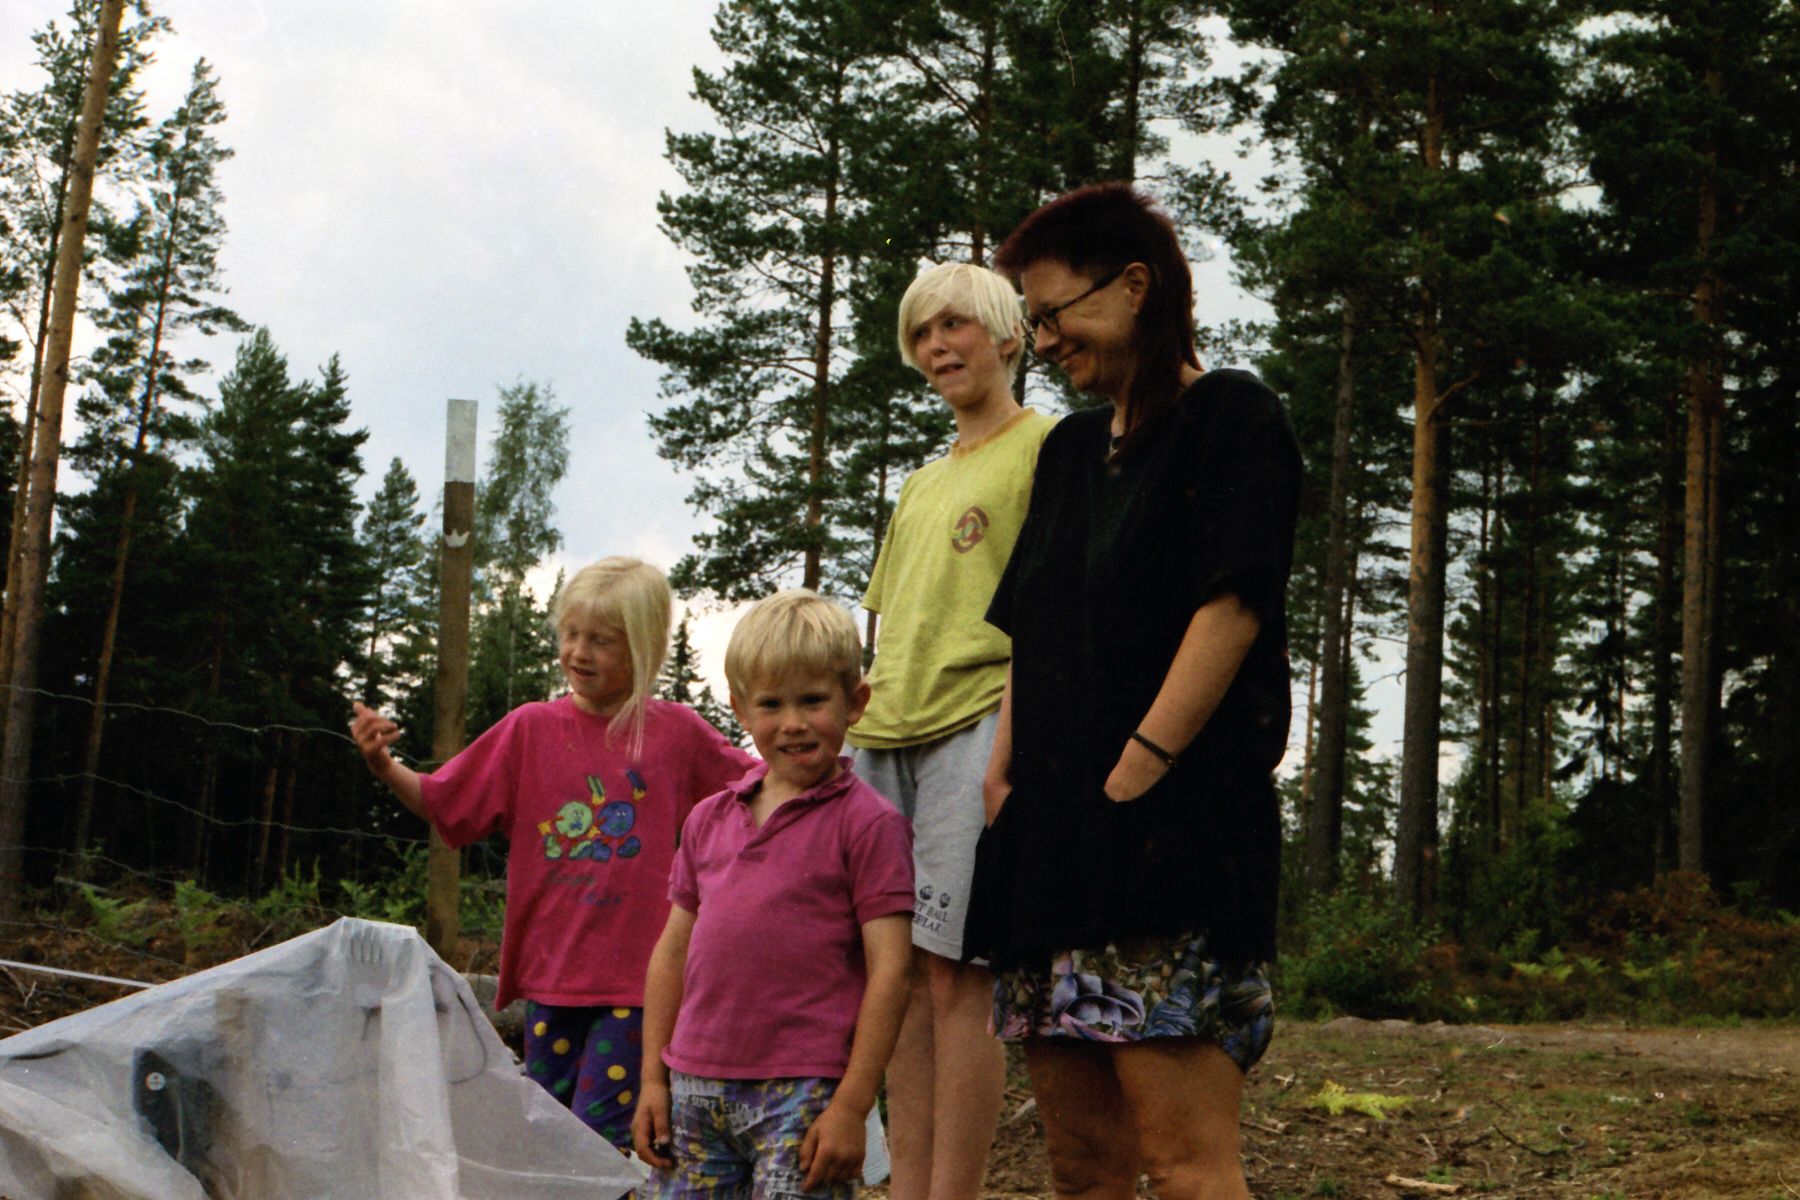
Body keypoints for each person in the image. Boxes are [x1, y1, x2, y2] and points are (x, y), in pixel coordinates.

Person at [965, 183, 1302, 1200]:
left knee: (1185, 1163)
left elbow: (1233, 605)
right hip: (1049, 849)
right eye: (1033, 321)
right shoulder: (1068, 451)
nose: (1044, 340)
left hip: (1171, 840)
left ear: (1136, 285)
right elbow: (1031, 624)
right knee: (1082, 1167)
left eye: (1055, 312)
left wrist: (1142, 765)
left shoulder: (1231, 416)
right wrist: (1001, 776)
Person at [349, 557, 752, 1151]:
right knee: (548, 1136)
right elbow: (444, 801)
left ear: (642, 648)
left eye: (600, 641)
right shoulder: (529, 729)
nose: (578, 652)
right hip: (550, 976)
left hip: (638, 983)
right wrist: (383, 765)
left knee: (597, 1138)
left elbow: (756, 790)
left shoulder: (676, 734)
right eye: (570, 634)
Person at [848, 262, 1053, 1200]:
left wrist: (1014, 744)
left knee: (959, 979)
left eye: (956, 325)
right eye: (922, 333)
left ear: (1009, 335)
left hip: (977, 721)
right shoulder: (920, 484)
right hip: (883, 732)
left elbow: (1048, 612)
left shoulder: (1045, 446)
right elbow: (890, 623)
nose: (938, 345)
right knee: (893, 982)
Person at [632, 589, 914, 1200]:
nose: (793, 722)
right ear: (740, 707)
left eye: (813, 700)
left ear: (855, 702)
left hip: (803, 1092)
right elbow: (671, 954)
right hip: (692, 1086)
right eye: (771, 704)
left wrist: (851, 1106)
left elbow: (892, 970)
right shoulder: (708, 819)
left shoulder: (869, 824)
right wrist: (653, 1078)